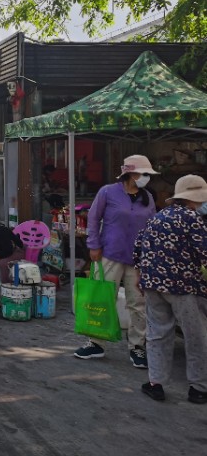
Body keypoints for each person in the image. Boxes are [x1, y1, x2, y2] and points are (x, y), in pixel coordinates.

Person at [73, 155, 157, 367]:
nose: (146, 178)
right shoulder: (108, 192)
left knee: (138, 303)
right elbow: (93, 218)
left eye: (148, 174)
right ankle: (96, 342)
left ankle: (137, 347)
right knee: (101, 298)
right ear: (130, 173)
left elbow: (153, 227)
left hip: (138, 258)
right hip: (108, 254)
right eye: (143, 173)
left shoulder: (148, 197)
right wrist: (93, 245)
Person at [133, 174, 207, 404]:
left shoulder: (157, 217)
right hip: (185, 287)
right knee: (196, 336)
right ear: (195, 199)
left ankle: (155, 383)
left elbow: (138, 248)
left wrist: (140, 276)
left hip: (153, 284)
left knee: (157, 333)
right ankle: (198, 387)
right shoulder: (193, 220)